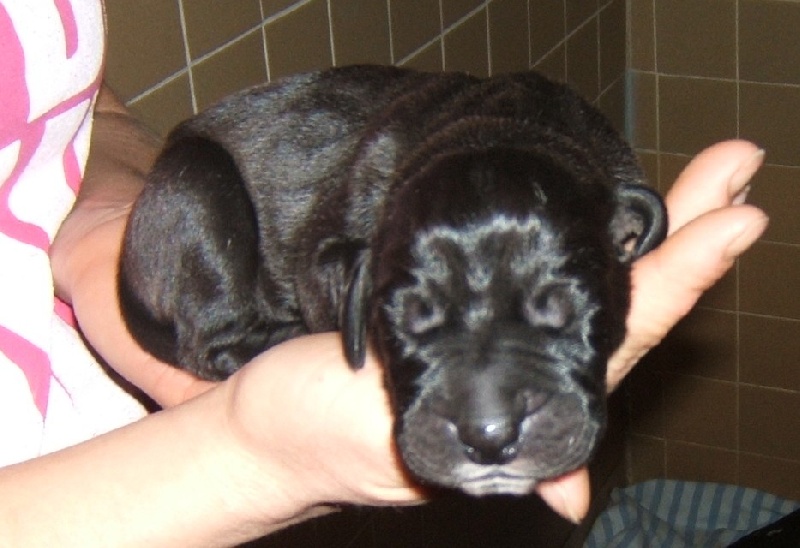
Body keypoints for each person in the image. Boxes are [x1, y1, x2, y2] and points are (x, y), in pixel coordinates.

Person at [0, 0, 769, 544]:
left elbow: (80, 116)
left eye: (556, 311)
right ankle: (228, 336)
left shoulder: (602, 188)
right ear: (361, 285)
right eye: (419, 313)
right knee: (208, 204)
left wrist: (89, 232)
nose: (489, 421)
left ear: (628, 236)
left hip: (105, 312)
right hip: (212, 236)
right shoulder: (362, 230)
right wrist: (243, 446)